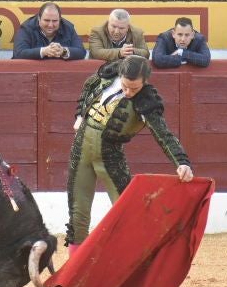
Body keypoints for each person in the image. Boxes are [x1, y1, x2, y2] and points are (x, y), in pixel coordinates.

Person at [64, 55, 193, 251]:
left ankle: (131, 264)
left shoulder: (146, 101)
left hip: (110, 156)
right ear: (121, 75)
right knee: (77, 213)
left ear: (145, 82)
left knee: (129, 213)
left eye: (135, 88)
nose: (128, 92)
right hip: (80, 147)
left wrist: (181, 161)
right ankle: (75, 271)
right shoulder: (108, 76)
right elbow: (88, 86)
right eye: (125, 86)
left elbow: (163, 134)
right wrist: (80, 114)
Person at [14, 2, 86, 60]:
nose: (50, 25)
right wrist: (44, 51)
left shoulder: (68, 28)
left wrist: (62, 51)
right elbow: (19, 53)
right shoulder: (26, 28)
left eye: (55, 21)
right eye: (47, 20)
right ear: (39, 18)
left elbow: (81, 52)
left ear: (60, 19)